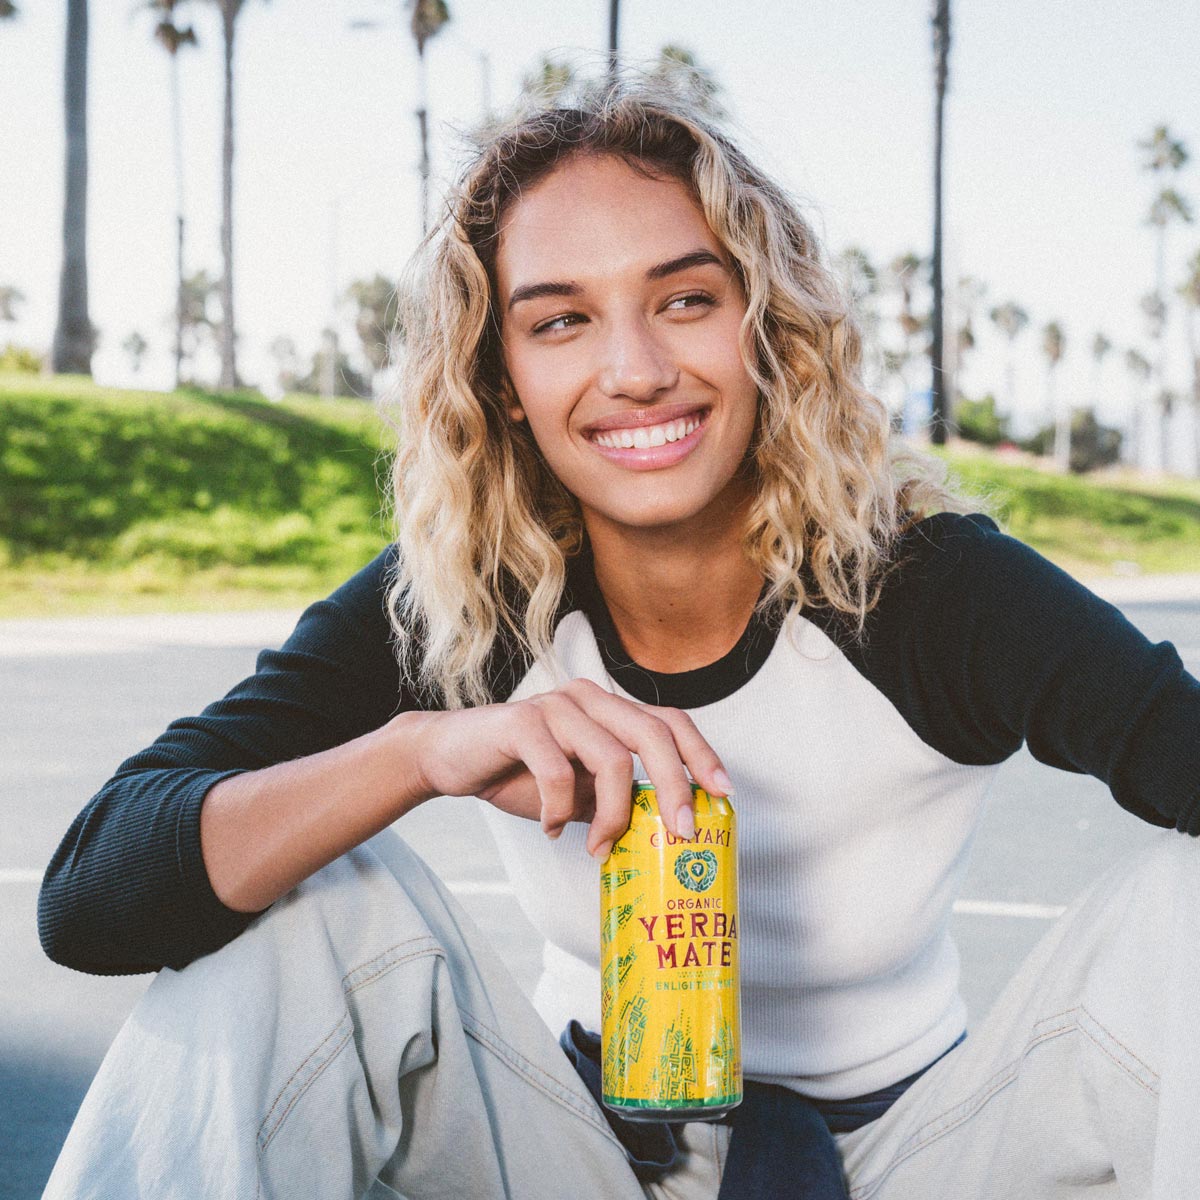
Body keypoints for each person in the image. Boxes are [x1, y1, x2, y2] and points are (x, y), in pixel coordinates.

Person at [38, 78, 1200, 1200]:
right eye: (560, 322)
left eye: (686, 300)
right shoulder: (472, 600)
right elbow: (92, 894)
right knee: (302, 887)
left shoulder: (920, 587)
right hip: (578, 1151)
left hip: (918, 1156)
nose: (635, 372)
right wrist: (414, 753)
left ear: (766, 327)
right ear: (503, 380)